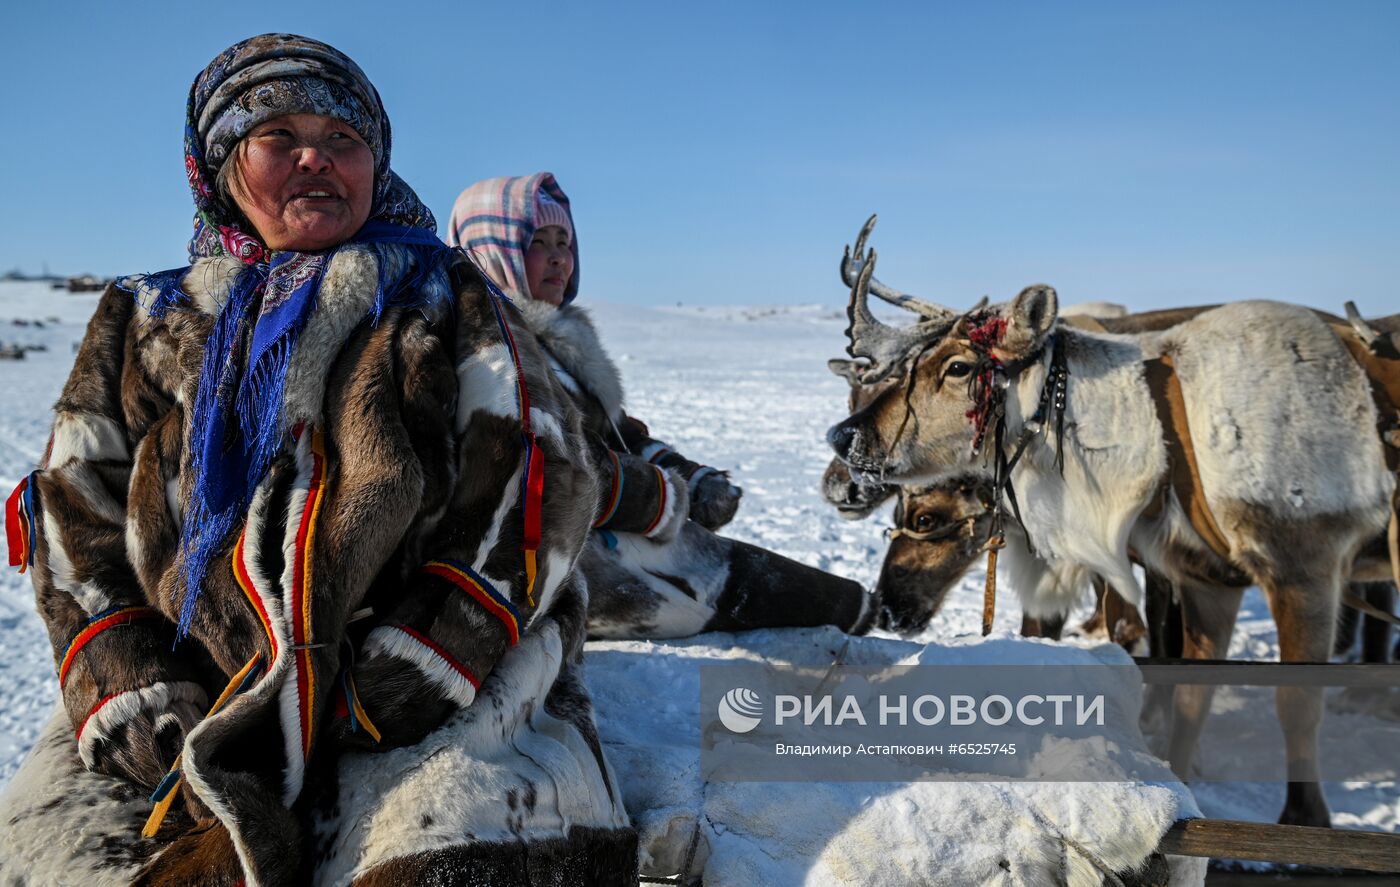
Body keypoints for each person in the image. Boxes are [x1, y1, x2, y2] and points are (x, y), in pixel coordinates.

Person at [0, 35, 635, 885]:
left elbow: (534, 475)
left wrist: (434, 651)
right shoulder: (142, 314)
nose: (316, 159)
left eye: (344, 141)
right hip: (193, 683)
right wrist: (131, 681)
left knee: (448, 854)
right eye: (279, 138)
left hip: (431, 670)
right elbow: (73, 506)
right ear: (222, 163)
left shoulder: (446, 294)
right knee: (71, 857)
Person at [449, 174, 872, 638]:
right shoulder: (490, 347)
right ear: (494, 248)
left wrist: (687, 474)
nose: (558, 258)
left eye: (564, 242)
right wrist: (659, 497)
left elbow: (616, 433)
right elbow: (546, 463)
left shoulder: (556, 340)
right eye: (538, 242)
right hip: (550, 560)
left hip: (611, 535)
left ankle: (873, 615)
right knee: (731, 596)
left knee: (790, 591)